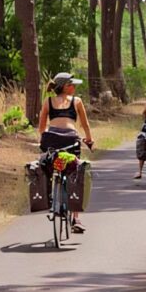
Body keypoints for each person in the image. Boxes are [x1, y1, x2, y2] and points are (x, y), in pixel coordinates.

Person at [37, 71, 94, 233]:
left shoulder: (48, 102)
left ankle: (50, 198)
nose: (74, 87)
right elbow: (85, 125)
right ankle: (76, 218)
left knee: (50, 166)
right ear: (66, 87)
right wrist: (89, 140)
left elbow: (41, 127)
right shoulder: (76, 101)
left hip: (51, 140)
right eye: (72, 84)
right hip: (71, 140)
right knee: (74, 174)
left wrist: (42, 140)